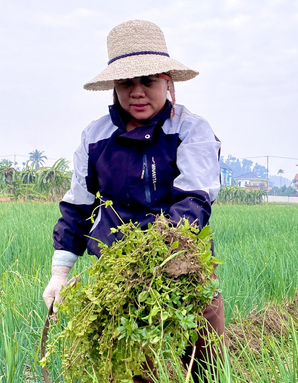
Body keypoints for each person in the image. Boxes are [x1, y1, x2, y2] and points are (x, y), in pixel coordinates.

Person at [42, 20, 224, 382]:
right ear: (114, 85)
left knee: (204, 357)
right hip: (117, 267)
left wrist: (161, 253)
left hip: (183, 258)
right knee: (127, 365)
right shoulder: (96, 137)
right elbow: (77, 205)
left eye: (149, 81)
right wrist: (60, 273)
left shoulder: (190, 129)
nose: (137, 92)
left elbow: (194, 196)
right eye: (127, 82)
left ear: (167, 81)